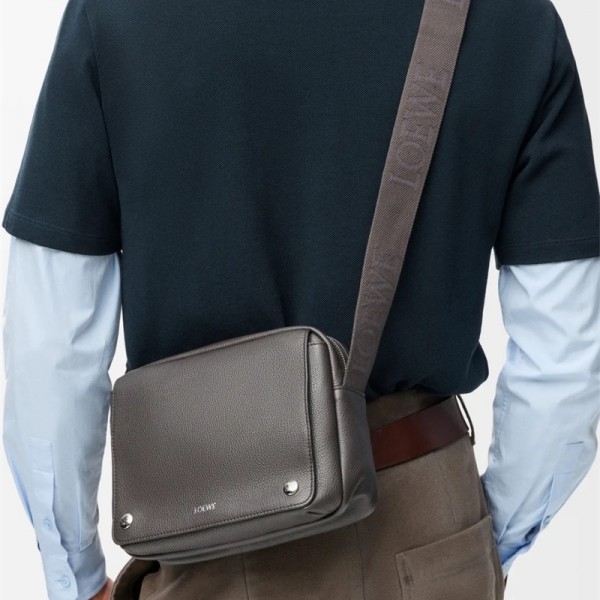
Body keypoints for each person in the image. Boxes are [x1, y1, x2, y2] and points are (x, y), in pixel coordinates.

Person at [2, 0, 599, 598]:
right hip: (424, 521)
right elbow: (565, 362)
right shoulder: (512, 18)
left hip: (204, 528)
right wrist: (479, 542)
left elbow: (51, 352)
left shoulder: (112, 14)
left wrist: (76, 576)